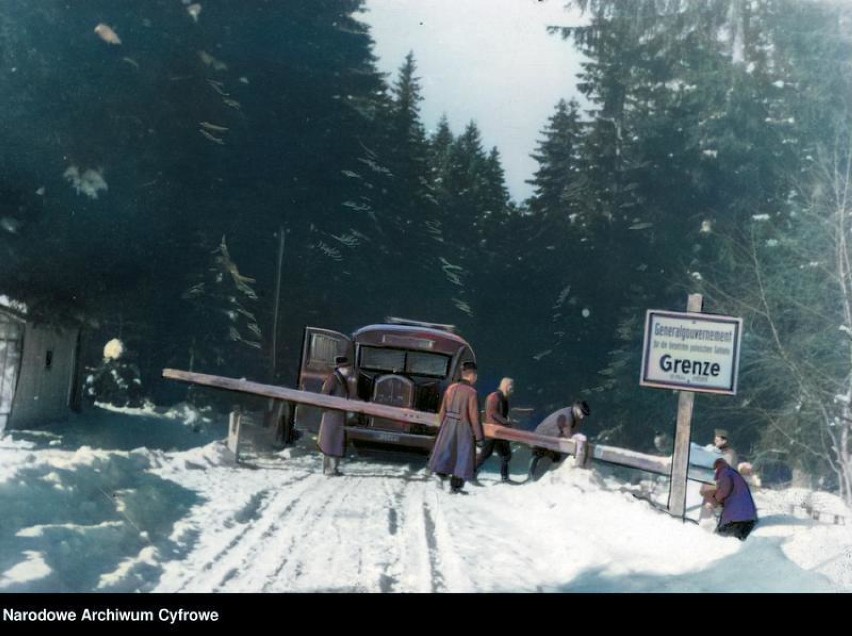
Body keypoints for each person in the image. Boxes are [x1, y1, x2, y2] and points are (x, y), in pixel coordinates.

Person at [428, 361, 484, 494]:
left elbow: (442, 412)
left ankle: (440, 479)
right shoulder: (472, 393)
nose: (476, 378)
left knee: (446, 454)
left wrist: (443, 427)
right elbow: (475, 418)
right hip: (463, 430)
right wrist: (480, 438)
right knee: (462, 459)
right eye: (476, 375)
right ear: (472, 375)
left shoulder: (450, 388)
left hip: (447, 427)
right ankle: (455, 487)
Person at [528, 400, 590, 480]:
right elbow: (568, 435)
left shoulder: (571, 413)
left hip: (547, 439)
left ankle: (536, 476)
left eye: (584, 415)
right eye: (581, 413)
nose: (582, 416)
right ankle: (535, 478)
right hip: (542, 439)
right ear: (576, 407)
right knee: (547, 458)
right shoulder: (567, 416)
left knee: (549, 458)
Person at [705, 457, 758, 540]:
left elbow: (724, 490)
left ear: (717, 467)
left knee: (720, 539)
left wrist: (714, 501)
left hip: (736, 518)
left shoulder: (724, 473)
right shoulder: (732, 473)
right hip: (748, 517)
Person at [475, 377, 515, 483]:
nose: (513, 388)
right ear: (506, 386)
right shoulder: (494, 397)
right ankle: (471, 473)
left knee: (506, 455)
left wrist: (507, 421)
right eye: (511, 385)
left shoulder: (504, 399)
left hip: (500, 432)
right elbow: (493, 413)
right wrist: (505, 421)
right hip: (493, 432)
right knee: (485, 454)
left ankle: (504, 477)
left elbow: (501, 414)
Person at [318, 356, 352, 476]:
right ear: (341, 368)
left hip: (338, 416)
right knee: (330, 442)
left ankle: (333, 468)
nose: (349, 370)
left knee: (336, 442)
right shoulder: (333, 378)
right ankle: (329, 469)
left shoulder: (341, 379)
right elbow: (324, 395)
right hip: (332, 415)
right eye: (347, 367)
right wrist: (328, 410)